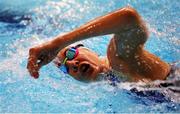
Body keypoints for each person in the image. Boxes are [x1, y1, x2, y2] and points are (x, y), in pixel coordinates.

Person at [27, 6, 171, 82]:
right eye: (65, 68)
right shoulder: (114, 80)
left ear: (89, 50)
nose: (72, 64)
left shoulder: (117, 58)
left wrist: (59, 43)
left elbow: (129, 18)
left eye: (70, 53)